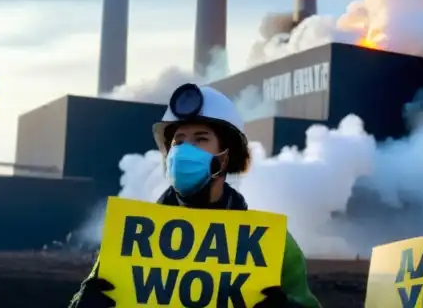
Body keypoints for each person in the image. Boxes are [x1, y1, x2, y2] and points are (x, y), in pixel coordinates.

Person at [69, 83, 320, 308]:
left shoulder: (274, 246)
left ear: (226, 155)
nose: (184, 150)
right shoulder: (129, 239)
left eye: (200, 139)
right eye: (178, 142)